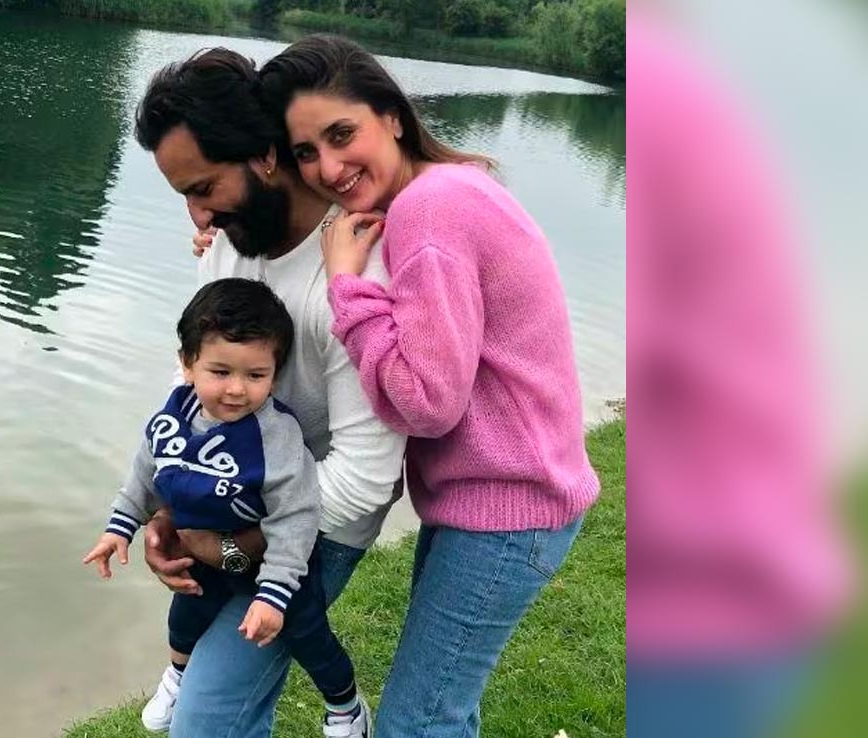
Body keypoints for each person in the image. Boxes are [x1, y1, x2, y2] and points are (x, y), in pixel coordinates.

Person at [250, 35, 602, 737]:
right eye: (306, 153)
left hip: (507, 508)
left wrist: (347, 288)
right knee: (444, 710)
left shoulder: (430, 211)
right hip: (507, 498)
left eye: (341, 135)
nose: (329, 168)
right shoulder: (447, 188)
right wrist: (224, 230)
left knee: (417, 722)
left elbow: (428, 403)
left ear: (392, 116)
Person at [133, 48, 406, 738]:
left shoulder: (357, 267)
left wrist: (232, 543)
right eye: (185, 195)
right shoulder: (230, 243)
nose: (199, 215)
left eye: (205, 187)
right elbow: (193, 379)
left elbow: (367, 476)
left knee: (206, 722)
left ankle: (346, 710)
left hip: (320, 523)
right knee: (205, 704)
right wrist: (169, 506)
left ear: (263, 154)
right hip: (228, 503)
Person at [83, 278, 370, 735]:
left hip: (273, 559)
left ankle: (344, 706)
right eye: (220, 372)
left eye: (255, 376)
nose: (237, 389)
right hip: (202, 551)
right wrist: (120, 527)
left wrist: (273, 593)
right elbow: (145, 471)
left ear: (274, 373)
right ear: (187, 363)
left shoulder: (275, 435)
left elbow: (295, 516)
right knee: (185, 614)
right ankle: (177, 676)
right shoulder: (173, 416)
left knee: (307, 635)